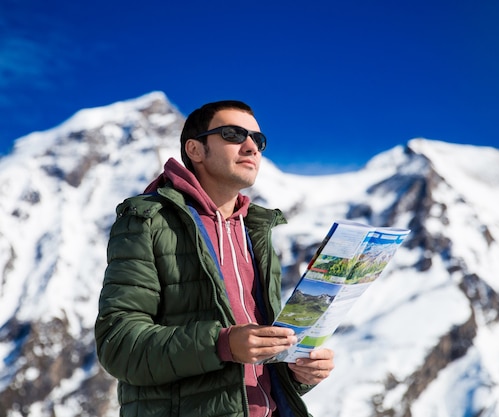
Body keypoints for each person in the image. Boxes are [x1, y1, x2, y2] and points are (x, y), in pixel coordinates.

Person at [95, 100, 334, 417]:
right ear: (195, 150)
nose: (251, 147)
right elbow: (120, 346)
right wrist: (221, 345)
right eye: (234, 134)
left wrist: (298, 370)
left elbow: (255, 362)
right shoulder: (147, 221)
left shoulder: (257, 232)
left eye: (258, 140)